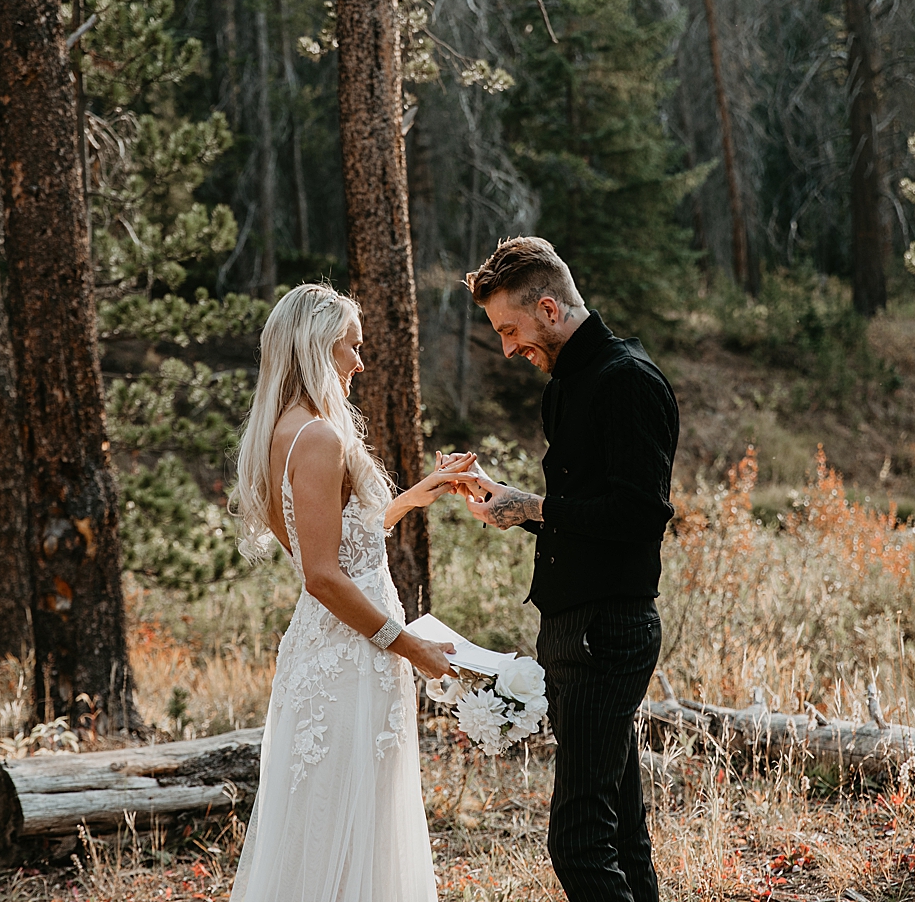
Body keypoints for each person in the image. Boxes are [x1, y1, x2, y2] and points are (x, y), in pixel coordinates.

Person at [228, 283, 478, 901]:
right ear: (318, 348)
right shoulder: (317, 437)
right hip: (354, 654)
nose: (360, 363)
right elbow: (321, 575)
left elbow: (339, 544)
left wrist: (415, 495)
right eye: (351, 348)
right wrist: (408, 646)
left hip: (339, 649)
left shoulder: (282, 431)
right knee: (344, 821)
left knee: (335, 818)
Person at [455, 237, 679, 902]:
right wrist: (513, 504)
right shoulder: (567, 387)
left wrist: (537, 506)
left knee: (577, 837)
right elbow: (580, 507)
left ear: (548, 307)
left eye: (510, 329)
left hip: (607, 633)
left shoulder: (628, 380)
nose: (505, 347)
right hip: (571, 629)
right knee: (620, 832)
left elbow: (640, 515)